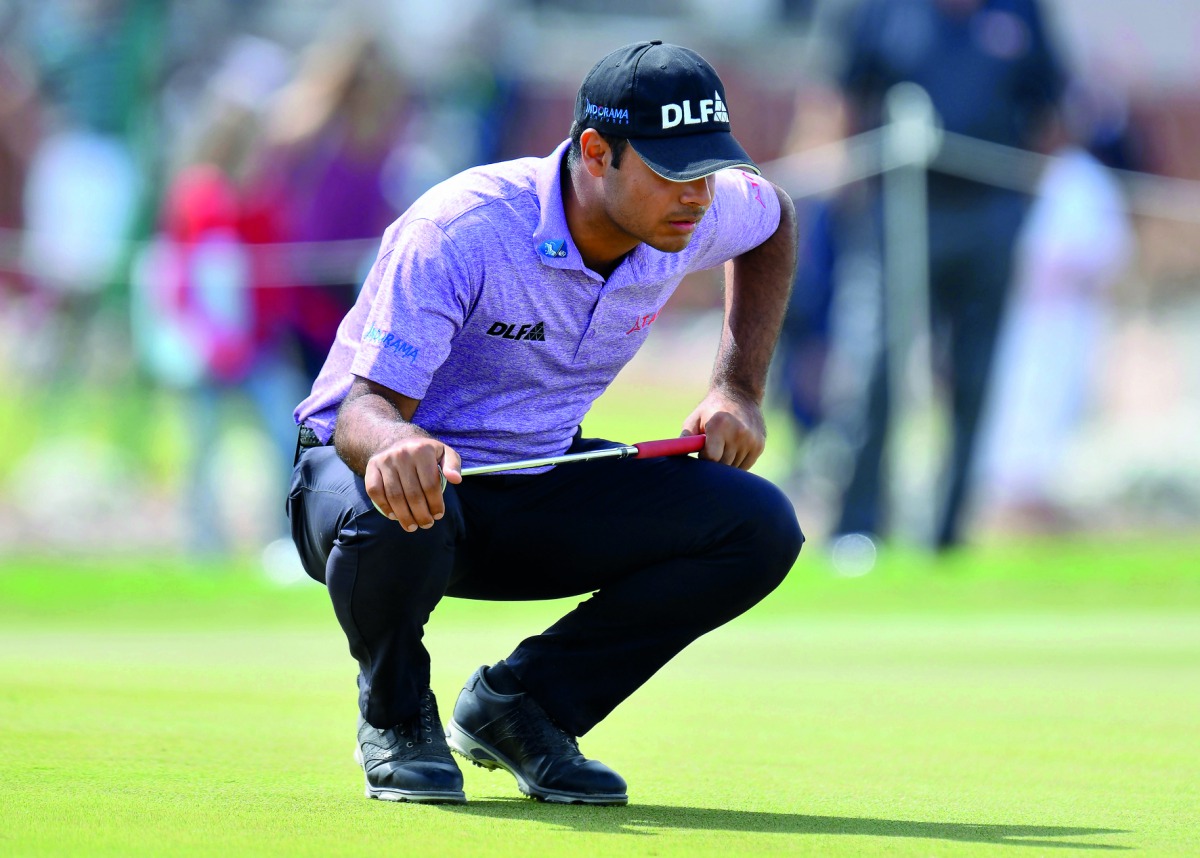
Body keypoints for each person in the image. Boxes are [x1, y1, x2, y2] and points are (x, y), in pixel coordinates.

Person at [288, 40, 803, 806]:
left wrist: (738, 387)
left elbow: (774, 218)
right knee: (398, 499)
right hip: (370, 482)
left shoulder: (696, 209)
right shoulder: (463, 228)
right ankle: (395, 718)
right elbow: (362, 414)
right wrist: (398, 443)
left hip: (533, 480)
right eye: (672, 172)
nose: (697, 196)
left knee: (756, 526)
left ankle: (524, 709)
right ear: (596, 152)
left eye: (708, 169)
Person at [829, 0, 1066, 549]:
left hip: (990, 214)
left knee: (975, 377)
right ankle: (857, 526)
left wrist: (1027, 204)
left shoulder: (1020, 11)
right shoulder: (884, 12)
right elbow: (843, 97)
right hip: (901, 210)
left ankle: (947, 533)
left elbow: (1051, 106)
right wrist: (852, 200)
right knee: (878, 369)